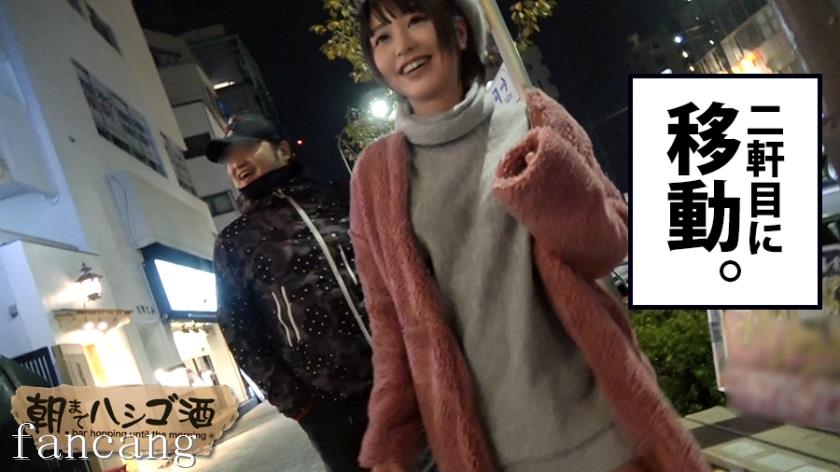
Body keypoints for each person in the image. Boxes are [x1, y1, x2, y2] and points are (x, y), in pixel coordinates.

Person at [348, 1, 709, 471]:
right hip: (492, 451)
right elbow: (389, 320)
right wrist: (391, 440)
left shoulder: (535, 123)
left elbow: (609, 244)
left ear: (460, 32)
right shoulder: (375, 176)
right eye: (382, 36)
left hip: (605, 430)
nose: (403, 46)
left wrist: (550, 183)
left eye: (416, 20)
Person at [208, 115, 373, 471]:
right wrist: (301, 405)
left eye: (247, 147)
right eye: (229, 157)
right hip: (333, 406)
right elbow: (239, 331)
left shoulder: (338, 198)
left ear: (283, 150)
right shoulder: (234, 241)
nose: (236, 162)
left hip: (405, 371)